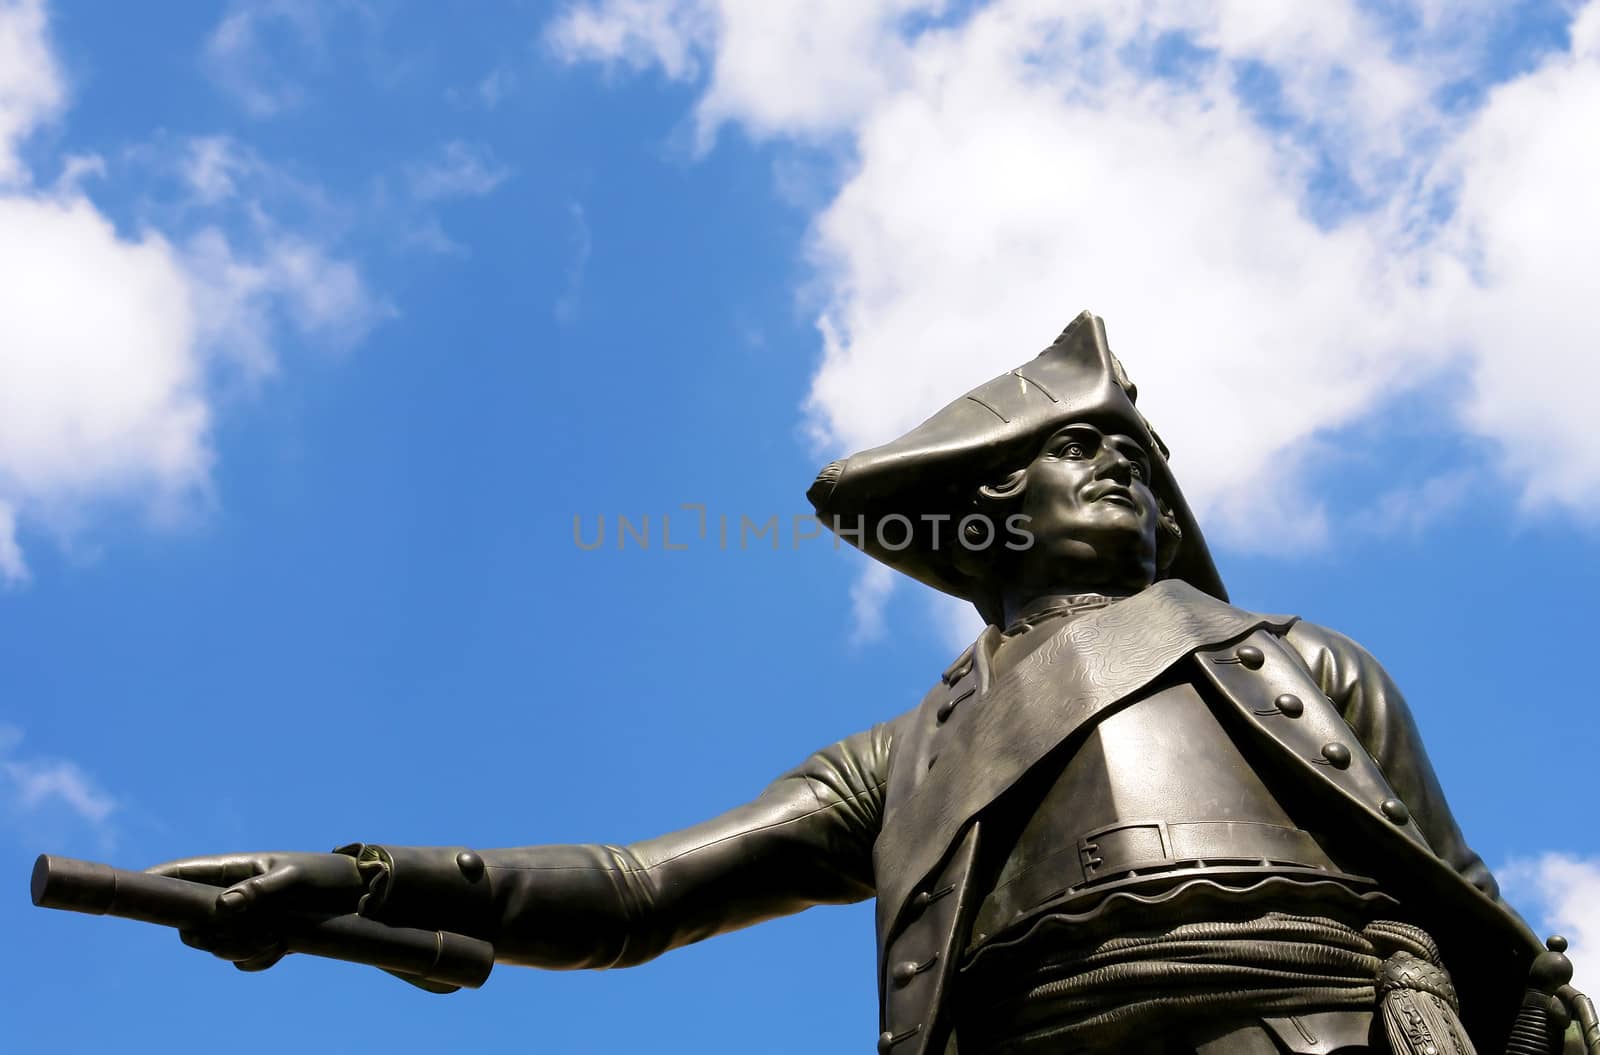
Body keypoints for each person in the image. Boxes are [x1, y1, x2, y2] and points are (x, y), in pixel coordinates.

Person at [153, 312, 1558, 1055]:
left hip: (1322, 1029)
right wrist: (369, 881)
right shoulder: (907, 758)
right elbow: (644, 891)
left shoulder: (1300, 667)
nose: (1127, 464)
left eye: (1138, 455)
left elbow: (1467, 899)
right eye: (1083, 451)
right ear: (992, 508)